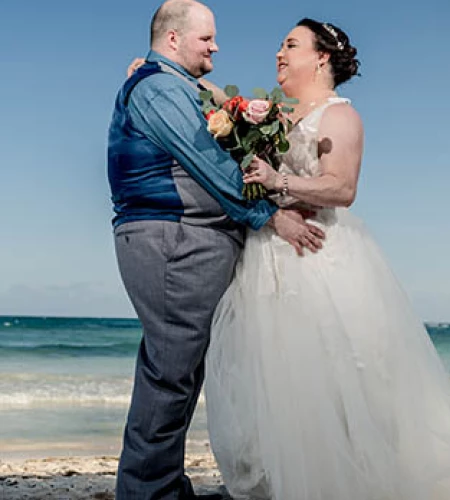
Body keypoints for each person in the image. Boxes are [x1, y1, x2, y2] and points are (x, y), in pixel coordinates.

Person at [203, 18, 450, 500]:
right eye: (280, 45)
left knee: (334, 383)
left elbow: (342, 188)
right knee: (275, 388)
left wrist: (279, 182)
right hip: (267, 255)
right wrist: (177, 76)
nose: (279, 53)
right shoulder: (275, 115)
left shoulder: (340, 116)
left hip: (319, 257)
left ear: (321, 57)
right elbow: (230, 108)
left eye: (291, 45)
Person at [107, 2, 324, 499]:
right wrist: (270, 216)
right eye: (206, 38)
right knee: (171, 373)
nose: (216, 46)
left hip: (183, 239)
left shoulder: (172, 85)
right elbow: (207, 161)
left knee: (177, 369)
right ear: (173, 40)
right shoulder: (159, 88)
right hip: (173, 240)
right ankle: (148, 494)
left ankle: (160, 486)